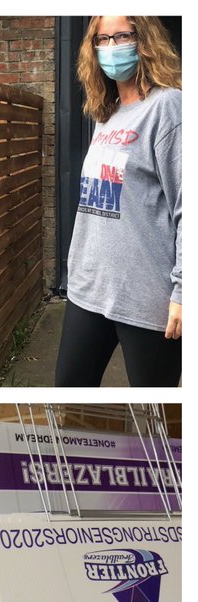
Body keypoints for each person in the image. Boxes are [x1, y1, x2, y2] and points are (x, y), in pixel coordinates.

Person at [55, 15, 181, 386]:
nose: (111, 48)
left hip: (147, 297)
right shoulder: (105, 115)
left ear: (144, 40)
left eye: (122, 36)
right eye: (102, 39)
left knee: (154, 416)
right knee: (69, 393)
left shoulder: (169, 108)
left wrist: (184, 292)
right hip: (89, 287)